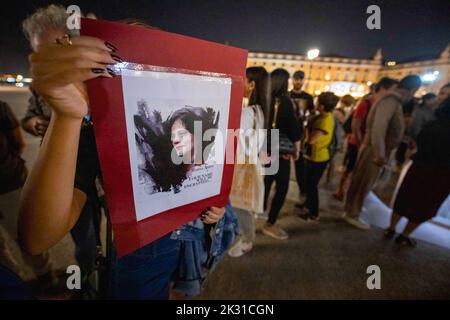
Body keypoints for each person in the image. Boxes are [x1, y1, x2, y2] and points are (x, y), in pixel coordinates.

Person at [18, 19, 234, 300]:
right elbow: (36, 237)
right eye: (125, 69)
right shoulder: (96, 138)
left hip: (183, 250)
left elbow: (213, 179)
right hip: (133, 261)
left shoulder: (185, 124)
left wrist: (214, 208)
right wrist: (67, 116)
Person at [21, 5, 101, 283]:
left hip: (103, 168)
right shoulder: (41, 85)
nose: (52, 60)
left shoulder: (103, 77)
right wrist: (36, 123)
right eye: (42, 54)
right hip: (65, 164)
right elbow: (36, 236)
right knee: (84, 236)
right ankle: (88, 275)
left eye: (59, 46)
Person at [343, 75, 422, 230]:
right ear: (413, 89)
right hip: (375, 148)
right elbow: (379, 128)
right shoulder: (391, 101)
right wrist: (380, 153)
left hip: (375, 147)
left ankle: (351, 209)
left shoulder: (390, 100)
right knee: (364, 182)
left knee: (361, 180)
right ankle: (352, 213)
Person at [0, 100, 57, 295]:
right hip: (9, 178)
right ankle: (13, 282)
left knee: (27, 236)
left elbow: (18, 142)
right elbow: (25, 125)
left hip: (9, 183)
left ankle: (46, 278)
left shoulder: (1, 107)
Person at [384, 98, 450, 247]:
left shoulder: (431, 125)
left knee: (405, 198)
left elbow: (417, 141)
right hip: (442, 174)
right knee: (425, 205)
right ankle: (405, 235)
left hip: (420, 167)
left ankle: (391, 228)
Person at [333, 77, 398, 201]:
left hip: (370, 144)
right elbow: (355, 125)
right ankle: (342, 192)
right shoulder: (366, 103)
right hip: (358, 143)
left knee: (361, 173)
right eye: (393, 90)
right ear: (383, 89)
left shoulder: (385, 105)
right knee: (350, 169)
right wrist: (360, 143)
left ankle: (353, 196)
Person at [228, 66, 268, 258]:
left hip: (241, 165)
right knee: (242, 204)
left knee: (240, 205)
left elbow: (231, 138)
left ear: (252, 85)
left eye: (242, 79)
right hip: (249, 163)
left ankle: (246, 240)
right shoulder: (258, 110)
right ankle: (246, 238)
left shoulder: (247, 113)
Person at [262, 69, 302, 240]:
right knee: (282, 187)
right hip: (280, 151)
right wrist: (296, 149)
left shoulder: (263, 99)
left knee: (267, 181)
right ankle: (270, 222)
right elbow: (294, 128)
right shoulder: (285, 101)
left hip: (265, 148)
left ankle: (260, 210)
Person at [297, 92, 339, 221]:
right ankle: (307, 205)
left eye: (317, 102)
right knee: (309, 183)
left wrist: (305, 127)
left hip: (318, 158)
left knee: (312, 185)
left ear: (321, 105)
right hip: (315, 156)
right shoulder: (324, 116)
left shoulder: (325, 121)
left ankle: (313, 212)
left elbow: (312, 139)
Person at [290, 70, 313, 202]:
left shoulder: (308, 98)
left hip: (301, 133)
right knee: (282, 162)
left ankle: (302, 190)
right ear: (293, 80)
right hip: (286, 133)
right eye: (296, 79)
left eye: (300, 79)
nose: (298, 81)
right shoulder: (287, 95)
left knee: (300, 165)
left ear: (304, 80)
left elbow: (311, 115)